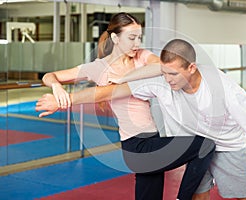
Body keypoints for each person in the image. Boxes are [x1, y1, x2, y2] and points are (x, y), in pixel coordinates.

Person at [36, 38, 246, 200]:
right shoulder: (161, 80)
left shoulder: (219, 85)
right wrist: (64, 100)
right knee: (198, 195)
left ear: (191, 67)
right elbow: (107, 92)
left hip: (227, 145)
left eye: (173, 74)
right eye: (164, 72)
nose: (167, 79)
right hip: (196, 147)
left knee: (244, 196)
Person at [38, 13, 215, 200]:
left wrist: (125, 78)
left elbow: (162, 66)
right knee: (205, 145)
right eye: (131, 38)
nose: (137, 43)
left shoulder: (141, 57)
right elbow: (49, 76)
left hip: (153, 138)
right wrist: (57, 87)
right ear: (115, 38)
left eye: (139, 37)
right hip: (136, 145)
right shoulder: (98, 68)